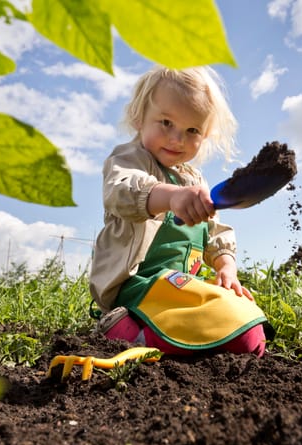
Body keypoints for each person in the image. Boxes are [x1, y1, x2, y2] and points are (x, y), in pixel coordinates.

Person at [89, 65, 268, 357]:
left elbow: (215, 231)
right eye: (166, 122)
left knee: (250, 333)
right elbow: (120, 191)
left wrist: (226, 266)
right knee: (220, 329)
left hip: (181, 285)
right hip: (138, 285)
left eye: (192, 130)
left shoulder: (195, 182)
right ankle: (125, 331)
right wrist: (171, 197)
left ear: (205, 135)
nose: (177, 139)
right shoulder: (130, 159)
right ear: (139, 117)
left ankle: (187, 340)